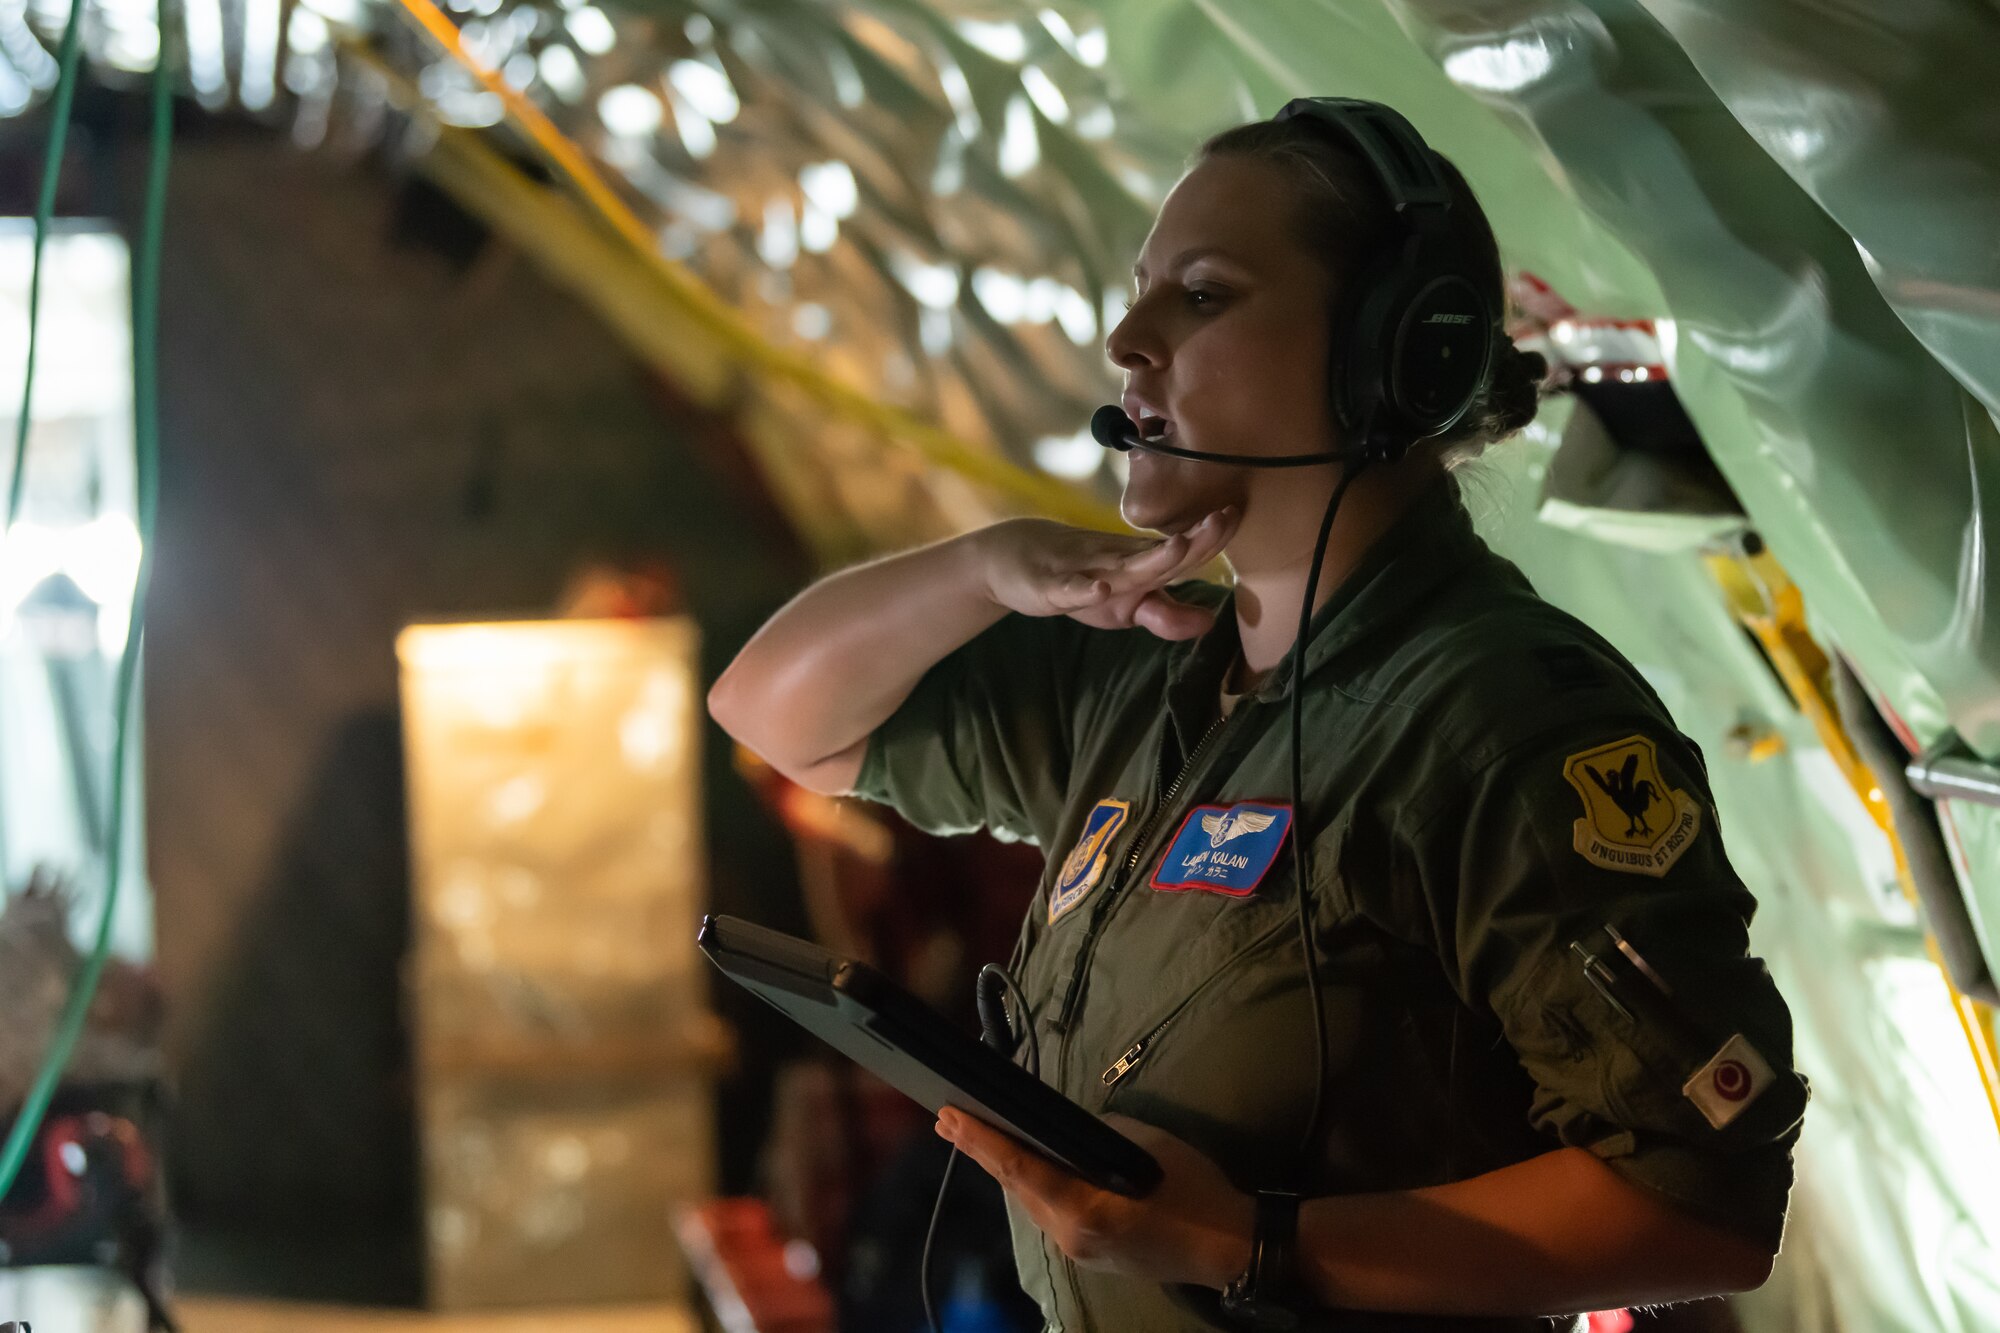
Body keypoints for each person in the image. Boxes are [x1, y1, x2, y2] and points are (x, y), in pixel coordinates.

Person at [708, 105, 1808, 1332]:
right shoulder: (1148, 675)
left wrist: (1244, 1240)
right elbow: (772, 710)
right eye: (1139, 295)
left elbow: (1704, 1204)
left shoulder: (1501, 721)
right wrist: (982, 566)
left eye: (1201, 296)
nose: (1127, 341)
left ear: (1389, 356)